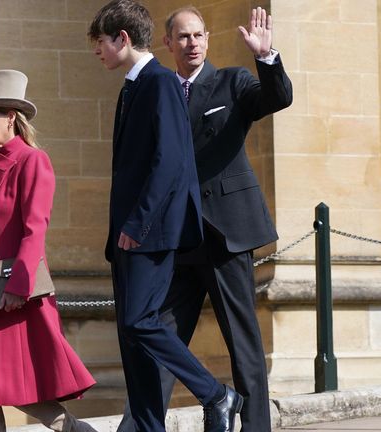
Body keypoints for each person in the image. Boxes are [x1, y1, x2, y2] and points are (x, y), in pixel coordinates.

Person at [117, 6, 293, 432]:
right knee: (160, 337)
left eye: (198, 35)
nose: (192, 43)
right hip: (177, 239)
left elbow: (276, 98)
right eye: (183, 37)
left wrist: (266, 58)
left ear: (208, 40)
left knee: (243, 344)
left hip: (225, 232)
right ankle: (139, 427)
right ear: (168, 44)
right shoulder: (159, 89)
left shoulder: (231, 82)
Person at [88, 1, 244, 431]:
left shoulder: (159, 82)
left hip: (148, 234)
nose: (97, 52)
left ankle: (216, 394)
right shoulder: (132, 87)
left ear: (121, 38)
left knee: (141, 322)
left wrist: (138, 224)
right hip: (127, 237)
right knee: (132, 340)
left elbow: (171, 161)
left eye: (100, 43)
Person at [0, 69, 97, 432]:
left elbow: (35, 229)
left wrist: (19, 287)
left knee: (19, 388)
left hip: (16, 293)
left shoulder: (33, 161)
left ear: (11, 116)